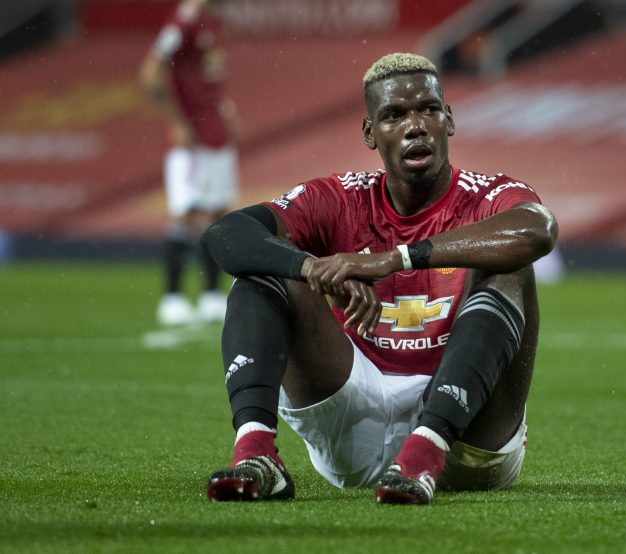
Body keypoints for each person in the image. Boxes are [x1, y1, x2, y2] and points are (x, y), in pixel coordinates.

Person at [201, 53, 558, 504]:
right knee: (264, 269)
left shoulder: (489, 195)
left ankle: (426, 449)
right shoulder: (340, 198)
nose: (415, 126)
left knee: (511, 269)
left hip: (467, 438)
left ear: (448, 120)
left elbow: (537, 229)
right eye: (394, 115)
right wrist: (313, 268)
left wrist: (395, 259)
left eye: (428, 109)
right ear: (370, 133)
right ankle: (256, 454)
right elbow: (226, 234)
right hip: (355, 420)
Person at [139, 0, 239, 325]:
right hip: (192, 141)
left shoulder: (213, 20)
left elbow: (209, 80)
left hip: (216, 136)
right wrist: (176, 121)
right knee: (186, 213)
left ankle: (211, 295)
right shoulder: (184, 21)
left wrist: (226, 112)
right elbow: (150, 72)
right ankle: (172, 297)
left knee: (218, 213)